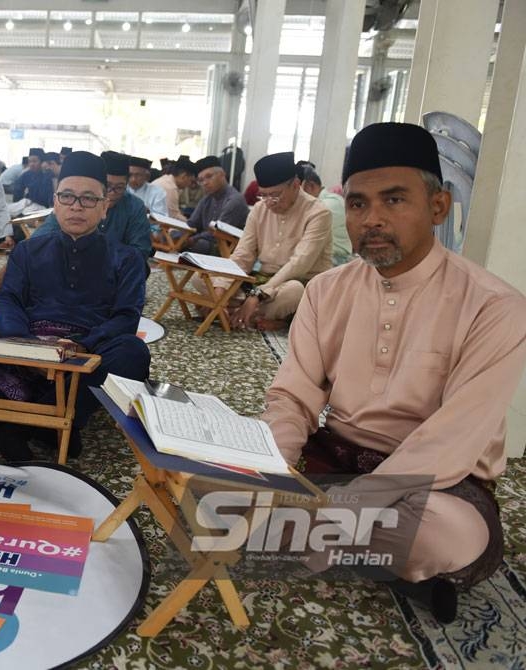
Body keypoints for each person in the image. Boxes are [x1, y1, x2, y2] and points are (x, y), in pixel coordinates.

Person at [263, 122, 526, 623]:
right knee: (220, 486)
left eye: (394, 200)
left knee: (442, 535)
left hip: (437, 481)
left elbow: (451, 440)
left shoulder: (495, 307)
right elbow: (293, 394)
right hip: (335, 453)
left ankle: (334, 536)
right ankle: (363, 550)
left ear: (438, 207)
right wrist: (275, 469)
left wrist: (340, 512)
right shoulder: (326, 290)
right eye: (359, 204)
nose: (372, 219)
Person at [0, 151, 151, 461]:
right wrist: (24, 344)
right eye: (68, 196)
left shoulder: (126, 258)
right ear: (55, 202)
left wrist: (80, 345)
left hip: (84, 356)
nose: (77, 206)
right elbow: (10, 299)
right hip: (24, 350)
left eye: (89, 199)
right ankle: (57, 422)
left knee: (133, 353)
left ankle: (18, 426)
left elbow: (126, 317)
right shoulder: (27, 250)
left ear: (104, 207)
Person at [218, 151, 332, 330]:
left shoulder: (318, 213)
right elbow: (243, 254)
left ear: (295, 185)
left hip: (297, 281)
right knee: (202, 279)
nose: (269, 202)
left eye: (275, 194)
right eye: (263, 195)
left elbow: (299, 265)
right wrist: (221, 288)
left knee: (294, 292)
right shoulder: (259, 209)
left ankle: (241, 311)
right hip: (261, 280)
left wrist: (257, 294)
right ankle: (253, 314)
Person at [33, 150, 151, 258]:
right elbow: (38, 242)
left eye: (119, 188)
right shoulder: (75, 203)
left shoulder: (134, 206)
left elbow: (141, 250)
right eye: (108, 186)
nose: (112, 193)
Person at [183, 155, 250, 254]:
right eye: (201, 180)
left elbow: (218, 233)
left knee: (200, 244)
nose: (205, 183)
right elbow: (192, 223)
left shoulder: (234, 200)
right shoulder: (207, 199)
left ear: (222, 174)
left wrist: (191, 239)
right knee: (174, 235)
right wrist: (178, 233)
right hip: (209, 240)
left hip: (228, 247)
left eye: (209, 177)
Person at [298, 161, 351, 265]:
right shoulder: (320, 202)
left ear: (310, 186)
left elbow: (303, 240)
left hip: (336, 259)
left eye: (297, 190)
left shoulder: (329, 204)